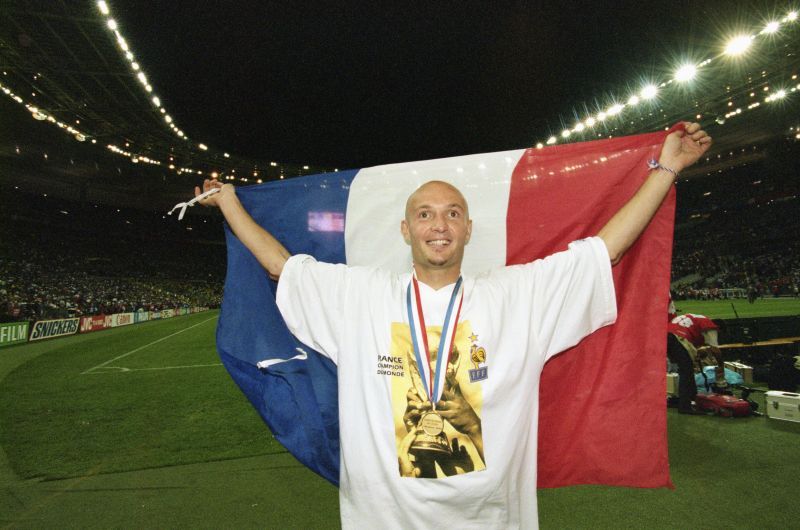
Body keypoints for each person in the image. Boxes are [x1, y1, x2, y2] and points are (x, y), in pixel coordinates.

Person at [196, 123, 711, 529]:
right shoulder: (358, 294)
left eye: (450, 213)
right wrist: (230, 203)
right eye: (424, 214)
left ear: (468, 227)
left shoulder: (516, 295)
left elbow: (604, 251)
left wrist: (665, 169)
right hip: (383, 522)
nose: (437, 225)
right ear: (405, 229)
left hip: (490, 520)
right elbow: (281, 266)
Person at [667, 301, 726, 414]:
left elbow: (694, 346)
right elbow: (715, 350)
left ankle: (692, 398)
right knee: (686, 371)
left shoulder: (697, 319)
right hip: (678, 337)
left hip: (667, 334)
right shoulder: (711, 326)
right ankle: (684, 406)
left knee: (686, 369)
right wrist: (721, 364)